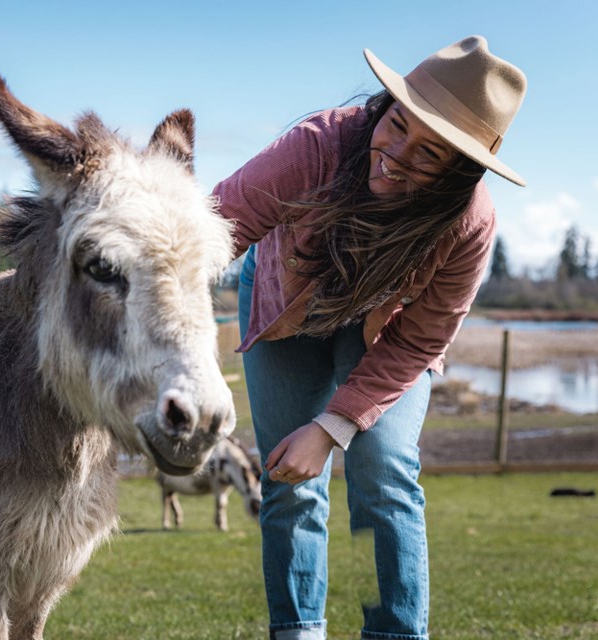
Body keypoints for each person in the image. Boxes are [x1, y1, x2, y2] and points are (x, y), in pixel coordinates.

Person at [212, 36, 527, 640]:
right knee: (289, 481)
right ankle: (299, 629)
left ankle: (394, 632)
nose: (398, 153)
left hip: (386, 332)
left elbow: (420, 340)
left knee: (383, 470)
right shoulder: (318, 146)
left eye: (431, 154)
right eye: (398, 123)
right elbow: (218, 224)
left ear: (459, 174)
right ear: (384, 105)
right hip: (283, 305)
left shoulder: (469, 223)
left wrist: (333, 428)